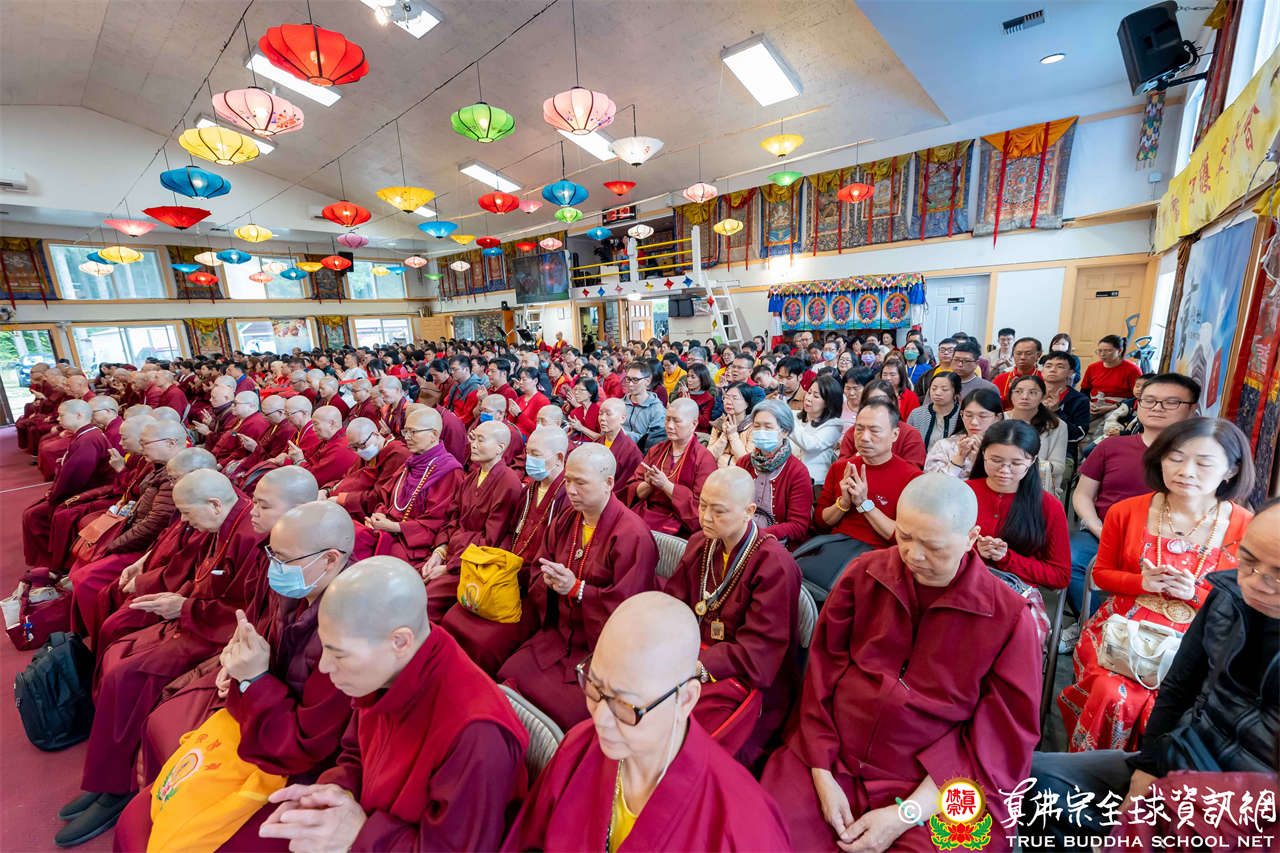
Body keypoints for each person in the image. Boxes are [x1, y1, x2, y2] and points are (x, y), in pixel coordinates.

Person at [762, 473, 1042, 852]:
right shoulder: (864, 573)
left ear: (971, 538)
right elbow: (821, 675)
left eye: (933, 546)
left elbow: (1000, 740)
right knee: (767, 833)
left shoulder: (1008, 618)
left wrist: (906, 814)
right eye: (905, 536)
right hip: (834, 750)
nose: (913, 555)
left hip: (935, 781)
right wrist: (822, 772)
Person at [1021, 499, 1280, 853]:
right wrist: (1147, 770)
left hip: (1243, 810)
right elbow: (1179, 688)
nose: (1257, 582)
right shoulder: (1228, 594)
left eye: (1277, 574)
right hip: (1182, 757)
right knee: (1036, 781)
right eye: (1248, 562)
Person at [110, 502, 357, 850]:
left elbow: (309, 743)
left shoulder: (348, 631)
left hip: (291, 748)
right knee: (153, 724)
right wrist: (236, 662)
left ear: (330, 559)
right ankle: (113, 785)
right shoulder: (294, 585)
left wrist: (253, 680)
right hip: (261, 706)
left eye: (283, 560)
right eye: (271, 556)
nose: (273, 568)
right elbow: (253, 628)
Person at [57, 469, 273, 845]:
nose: (184, 523)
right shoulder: (222, 521)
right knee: (115, 655)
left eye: (187, 514)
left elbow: (245, 611)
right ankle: (106, 778)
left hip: (216, 633)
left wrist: (184, 607)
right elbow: (204, 575)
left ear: (215, 504)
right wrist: (179, 598)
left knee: (128, 674)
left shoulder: (249, 535)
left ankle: (118, 789)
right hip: (196, 616)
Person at [255, 556, 528, 852]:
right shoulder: (389, 668)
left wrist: (358, 833)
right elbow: (356, 752)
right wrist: (336, 793)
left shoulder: (477, 735)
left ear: (400, 641)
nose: (324, 666)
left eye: (339, 654)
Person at [503, 592, 791, 852]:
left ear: (685, 700)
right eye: (594, 686)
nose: (600, 718)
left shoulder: (745, 826)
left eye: (626, 705)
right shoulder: (578, 747)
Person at [1059, 418, 1255, 751]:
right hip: (1123, 627)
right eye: (1175, 458)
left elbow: (1247, 601)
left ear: (1231, 471)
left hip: (1203, 636)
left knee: (1181, 702)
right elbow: (1101, 575)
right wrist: (1142, 582)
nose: (1186, 471)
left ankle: (1154, 776)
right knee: (1112, 693)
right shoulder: (1125, 512)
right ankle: (1092, 771)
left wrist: (1195, 594)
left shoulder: (1247, 527)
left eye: (1203, 463)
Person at [498, 444, 658, 731]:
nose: (570, 490)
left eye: (580, 483)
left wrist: (578, 589)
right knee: (507, 675)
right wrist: (547, 581)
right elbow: (538, 565)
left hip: (597, 647)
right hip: (556, 633)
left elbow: (629, 608)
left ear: (609, 483)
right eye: (568, 480)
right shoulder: (566, 519)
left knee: (566, 715)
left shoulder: (633, 536)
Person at [664, 469, 801, 764]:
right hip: (694, 654)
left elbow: (760, 651)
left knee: (684, 745)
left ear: (748, 512)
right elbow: (674, 605)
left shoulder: (774, 564)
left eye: (719, 511)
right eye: (702, 506)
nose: (705, 517)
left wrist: (699, 666)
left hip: (743, 676)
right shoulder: (701, 543)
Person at [1067, 373, 1200, 622]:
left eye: (1171, 402)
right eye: (1149, 400)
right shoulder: (1110, 447)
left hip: (1167, 543)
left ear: (1192, 409)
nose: (1157, 408)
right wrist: (1099, 528)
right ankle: (1096, 624)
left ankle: (1141, 628)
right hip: (1102, 533)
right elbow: (1083, 495)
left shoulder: (1196, 458)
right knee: (1072, 560)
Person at [797, 400, 922, 603]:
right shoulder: (841, 467)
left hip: (879, 560)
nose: (864, 437)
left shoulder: (912, 478)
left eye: (874, 430)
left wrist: (864, 504)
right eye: (859, 429)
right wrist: (843, 504)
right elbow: (821, 522)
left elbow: (903, 536)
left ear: (894, 435)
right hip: (835, 550)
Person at [419, 420, 524, 621]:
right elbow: (453, 518)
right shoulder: (471, 478)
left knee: (423, 600)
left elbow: (491, 541)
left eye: (480, 440)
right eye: (473, 439)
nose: (473, 445)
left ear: (500, 447)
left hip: (473, 565)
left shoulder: (508, 484)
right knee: (411, 581)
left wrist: (449, 567)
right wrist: (439, 552)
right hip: (452, 553)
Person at [353, 407, 464, 564]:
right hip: (388, 529)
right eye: (406, 432)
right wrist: (380, 515)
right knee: (348, 534)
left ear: (434, 435)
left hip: (413, 543)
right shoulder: (412, 461)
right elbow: (387, 497)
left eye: (413, 432)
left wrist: (395, 527)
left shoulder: (449, 470)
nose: (407, 437)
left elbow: (439, 522)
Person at [967, 421, 1070, 588]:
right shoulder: (963, 492)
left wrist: (1007, 558)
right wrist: (973, 550)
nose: (1004, 470)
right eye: (996, 460)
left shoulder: (1049, 506)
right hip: (964, 585)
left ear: (1032, 460)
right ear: (983, 453)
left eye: (1016, 463)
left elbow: (1060, 576)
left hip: (1015, 594)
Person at [22, 399, 112, 569]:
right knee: (32, 513)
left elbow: (74, 478)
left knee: (34, 515)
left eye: (62, 415)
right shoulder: (85, 434)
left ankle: (52, 563)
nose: (59, 419)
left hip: (92, 490)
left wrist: (55, 495)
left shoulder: (88, 439)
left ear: (79, 415)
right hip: (83, 486)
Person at [624, 398, 717, 537]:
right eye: (667, 419)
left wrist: (666, 485)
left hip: (680, 524)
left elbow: (701, 507)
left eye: (676, 421)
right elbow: (632, 489)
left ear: (694, 424)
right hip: (647, 513)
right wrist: (648, 485)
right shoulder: (656, 450)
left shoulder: (704, 459)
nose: (670, 426)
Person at [734, 399, 812, 545]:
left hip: (775, 543)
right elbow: (733, 504)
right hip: (740, 535)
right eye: (756, 426)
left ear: (785, 431)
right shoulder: (744, 463)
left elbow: (798, 525)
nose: (761, 431)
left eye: (768, 427)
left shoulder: (797, 472)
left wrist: (756, 536)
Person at [324, 417, 411, 521]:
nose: (359, 451)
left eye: (361, 445)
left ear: (376, 435)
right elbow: (348, 477)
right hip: (340, 501)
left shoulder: (397, 453)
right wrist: (326, 490)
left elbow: (380, 496)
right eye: (354, 447)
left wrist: (343, 499)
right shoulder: (369, 453)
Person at [836, 380, 928, 468]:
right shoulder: (855, 431)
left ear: (894, 402)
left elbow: (914, 469)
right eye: (871, 402)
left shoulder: (910, 434)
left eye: (882, 401)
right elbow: (840, 465)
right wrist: (860, 457)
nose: (877, 406)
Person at [1005, 374, 1068, 497]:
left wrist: (1020, 465)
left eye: (1033, 392)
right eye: (1018, 391)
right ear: (1011, 394)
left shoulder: (1056, 425)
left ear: (1042, 397)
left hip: (1036, 484)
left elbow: (1059, 466)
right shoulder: (999, 419)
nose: (1024, 397)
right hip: (1001, 479)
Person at [924, 387, 1004, 479]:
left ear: (998, 418)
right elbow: (932, 482)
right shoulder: (944, 446)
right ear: (962, 415)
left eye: (983, 416)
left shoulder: (1006, 448)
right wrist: (959, 457)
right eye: (968, 415)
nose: (974, 422)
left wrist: (981, 459)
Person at [788, 373, 845, 487]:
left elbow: (810, 445)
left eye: (816, 396)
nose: (808, 398)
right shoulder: (794, 416)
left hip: (814, 483)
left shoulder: (834, 425)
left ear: (828, 402)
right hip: (789, 477)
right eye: (809, 393)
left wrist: (787, 419)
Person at [1080, 334, 1141, 420]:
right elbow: (1084, 391)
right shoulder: (1092, 368)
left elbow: (1137, 397)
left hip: (1118, 407)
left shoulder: (1133, 370)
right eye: (1099, 351)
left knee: (1109, 422)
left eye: (1108, 351)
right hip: (1094, 405)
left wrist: (1111, 407)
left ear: (1119, 351)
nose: (1102, 354)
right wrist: (1089, 403)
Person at [1039, 350, 1089, 453]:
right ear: (1042, 370)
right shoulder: (1031, 393)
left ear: (1071, 372)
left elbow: (1078, 435)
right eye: (1048, 366)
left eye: (1060, 366)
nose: (1053, 369)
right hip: (1027, 448)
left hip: (1062, 452)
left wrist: (1056, 412)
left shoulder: (1080, 400)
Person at [707, 381, 762, 468]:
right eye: (726, 397)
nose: (728, 402)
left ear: (747, 403)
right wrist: (724, 436)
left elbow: (747, 463)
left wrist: (732, 435)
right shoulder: (720, 423)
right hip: (717, 473)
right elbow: (709, 457)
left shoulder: (754, 427)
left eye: (735, 398)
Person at [906, 370, 961, 452]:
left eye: (944, 389)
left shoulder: (963, 416)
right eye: (934, 389)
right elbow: (907, 442)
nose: (937, 393)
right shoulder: (916, 414)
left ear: (956, 392)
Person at [620, 360, 667, 451]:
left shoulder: (657, 409)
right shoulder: (620, 403)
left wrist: (625, 434)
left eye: (635, 380)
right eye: (628, 379)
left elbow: (653, 442)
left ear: (647, 381)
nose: (630, 384)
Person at [683, 362, 721, 432]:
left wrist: (691, 406)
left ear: (702, 379)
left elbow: (704, 423)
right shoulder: (684, 393)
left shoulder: (708, 398)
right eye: (688, 376)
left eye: (693, 377)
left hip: (698, 433)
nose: (689, 380)